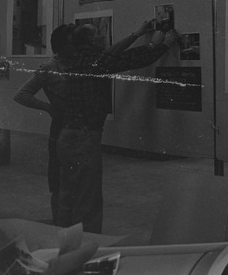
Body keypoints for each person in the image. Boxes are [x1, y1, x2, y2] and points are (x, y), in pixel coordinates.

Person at [55, 20, 178, 234]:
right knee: (88, 198)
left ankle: (63, 242)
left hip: (66, 136)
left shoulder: (75, 62)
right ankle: (88, 247)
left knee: (68, 193)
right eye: (101, 36)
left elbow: (113, 53)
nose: (105, 39)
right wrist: (163, 44)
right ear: (92, 41)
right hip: (86, 139)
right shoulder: (98, 62)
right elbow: (134, 58)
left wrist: (138, 34)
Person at [13, 23, 76, 224]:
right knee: (59, 181)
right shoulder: (49, 68)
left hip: (82, 128)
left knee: (78, 181)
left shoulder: (81, 63)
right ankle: (59, 224)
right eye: (73, 41)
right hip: (61, 128)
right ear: (63, 45)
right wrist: (49, 107)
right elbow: (21, 95)